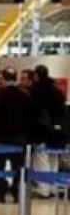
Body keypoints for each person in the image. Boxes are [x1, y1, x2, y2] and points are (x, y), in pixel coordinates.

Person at [0, 68, 30, 203]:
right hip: (19, 138)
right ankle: (18, 193)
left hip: (0, 138)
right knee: (19, 167)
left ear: (3, 79)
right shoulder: (25, 95)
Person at [28, 65, 67, 198]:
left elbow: (33, 112)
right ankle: (53, 187)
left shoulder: (35, 91)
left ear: (36, 76)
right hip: (57, 132)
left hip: (41, 131)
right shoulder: (58, 92)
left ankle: (44, 188)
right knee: (53, 158)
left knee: (41, 159)